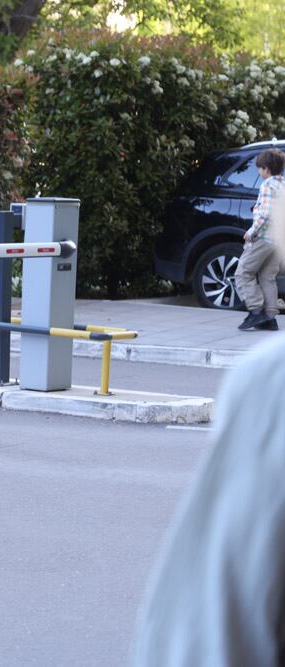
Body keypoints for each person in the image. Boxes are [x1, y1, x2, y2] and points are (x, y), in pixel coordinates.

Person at [130, 195, 285, 664]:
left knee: (246, 273)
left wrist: (254, 234)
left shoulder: (272, 388)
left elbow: (202, 635)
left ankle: (259, 314)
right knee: (263, 276)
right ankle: (266, 313)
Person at [235, 148, 284, 331]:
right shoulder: (282, 184)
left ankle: (256, 312)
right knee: (267, 277)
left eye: (259, 168)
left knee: (243, 272)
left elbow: (265, 213)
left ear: (266, 169)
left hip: (264, 237)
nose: (258, 172)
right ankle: (270, 318)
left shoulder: (267, 185)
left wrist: (251, 231)